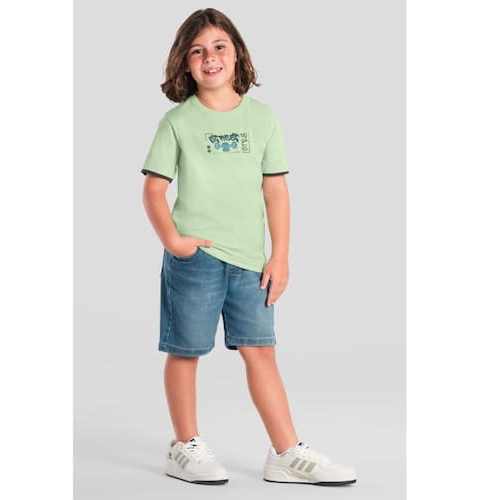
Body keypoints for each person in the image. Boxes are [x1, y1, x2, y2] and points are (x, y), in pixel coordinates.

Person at [141, 7, 357, 487]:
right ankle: (184, 446)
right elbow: (154, 189)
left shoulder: (263, 119)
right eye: (197, 51)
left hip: (250, 263)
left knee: (262, 353)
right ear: (184, 63)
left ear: (237, 53)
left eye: (219, 46)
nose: (210, 57)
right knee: (185, 351)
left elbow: (275, 189)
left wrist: (280, 255)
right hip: (195, 259)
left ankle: (286, 453)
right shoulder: (177, 121)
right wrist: (175, 242)